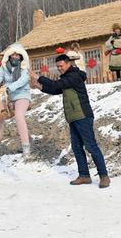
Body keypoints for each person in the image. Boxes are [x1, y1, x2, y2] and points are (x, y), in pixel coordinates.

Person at [30, 54, 110, 188]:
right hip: (73, 116)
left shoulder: (74, 76)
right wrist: (40, 87)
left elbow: (57, 84)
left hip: (83, 116)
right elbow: (56, 89)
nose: (59, 69)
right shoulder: (67, 78)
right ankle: (84, 175)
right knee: (77, 147)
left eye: (61, 66)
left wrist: (39, 77)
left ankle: (104, 176)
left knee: (90, 146)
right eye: (57, 67)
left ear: (68, 64)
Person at [0, 43, 32, 159]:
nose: (15, 57)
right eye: (13, 55)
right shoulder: (4, 67)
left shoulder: (24, 67)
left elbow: (23, 80)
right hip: (8, 96)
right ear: (9, 56)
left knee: (19, 116)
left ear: (21, 56)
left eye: (17, 55)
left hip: (22, 95)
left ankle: (26, 148)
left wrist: (11, 86)